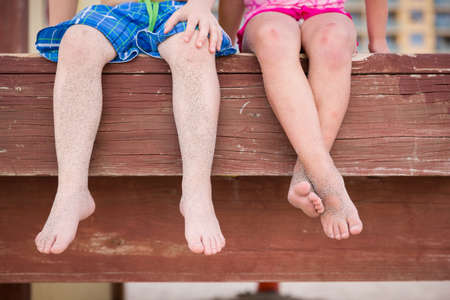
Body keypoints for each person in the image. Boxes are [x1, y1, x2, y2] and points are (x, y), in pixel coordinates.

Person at [34, 0, 236, 256]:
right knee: (76, 42)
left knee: (194, 48)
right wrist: (58, 29)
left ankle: (197, 193)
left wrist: (201, 5)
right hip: (113, 10)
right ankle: (70, 192)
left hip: (178, 9)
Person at [219, 0, 390, 240]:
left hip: (328, 9)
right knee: (273, 37)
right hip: (265, 12)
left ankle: (304, 175)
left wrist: (378, 39)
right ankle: (329, 182)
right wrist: (225, 38)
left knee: (334, 41)